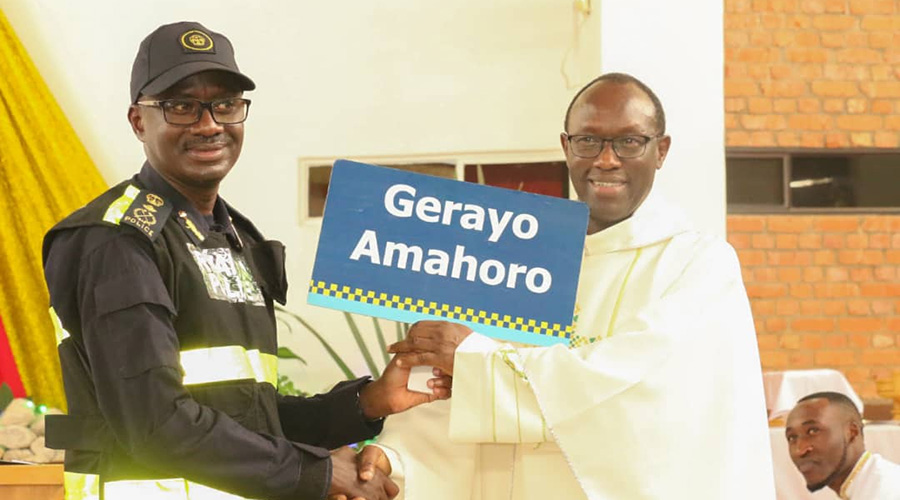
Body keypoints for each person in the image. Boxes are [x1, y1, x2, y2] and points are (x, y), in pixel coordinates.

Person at [43, 21, 448, 500]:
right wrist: (318, 473)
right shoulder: (117, 239)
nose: (209, 123)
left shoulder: (232, 238)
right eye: (181, 106)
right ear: (138, 121)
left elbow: (254, 418)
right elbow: (155, 422)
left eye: (226, 105)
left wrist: (367, 402)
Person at [353, 72, 776, 499]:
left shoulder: (698, 263)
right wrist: (395, 458)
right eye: (588, 141)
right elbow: (447, 392)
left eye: (629, 142)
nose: (606, 160)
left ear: (661, 150)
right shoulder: (519, 257)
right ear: (566, 147)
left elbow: (633, 389)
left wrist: (478, 360)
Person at [786, 392, 900, 499]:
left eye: (813, 431)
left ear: (852, 431)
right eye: (792, 437)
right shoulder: (865, 485)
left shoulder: (887, 491)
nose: (799, 450)